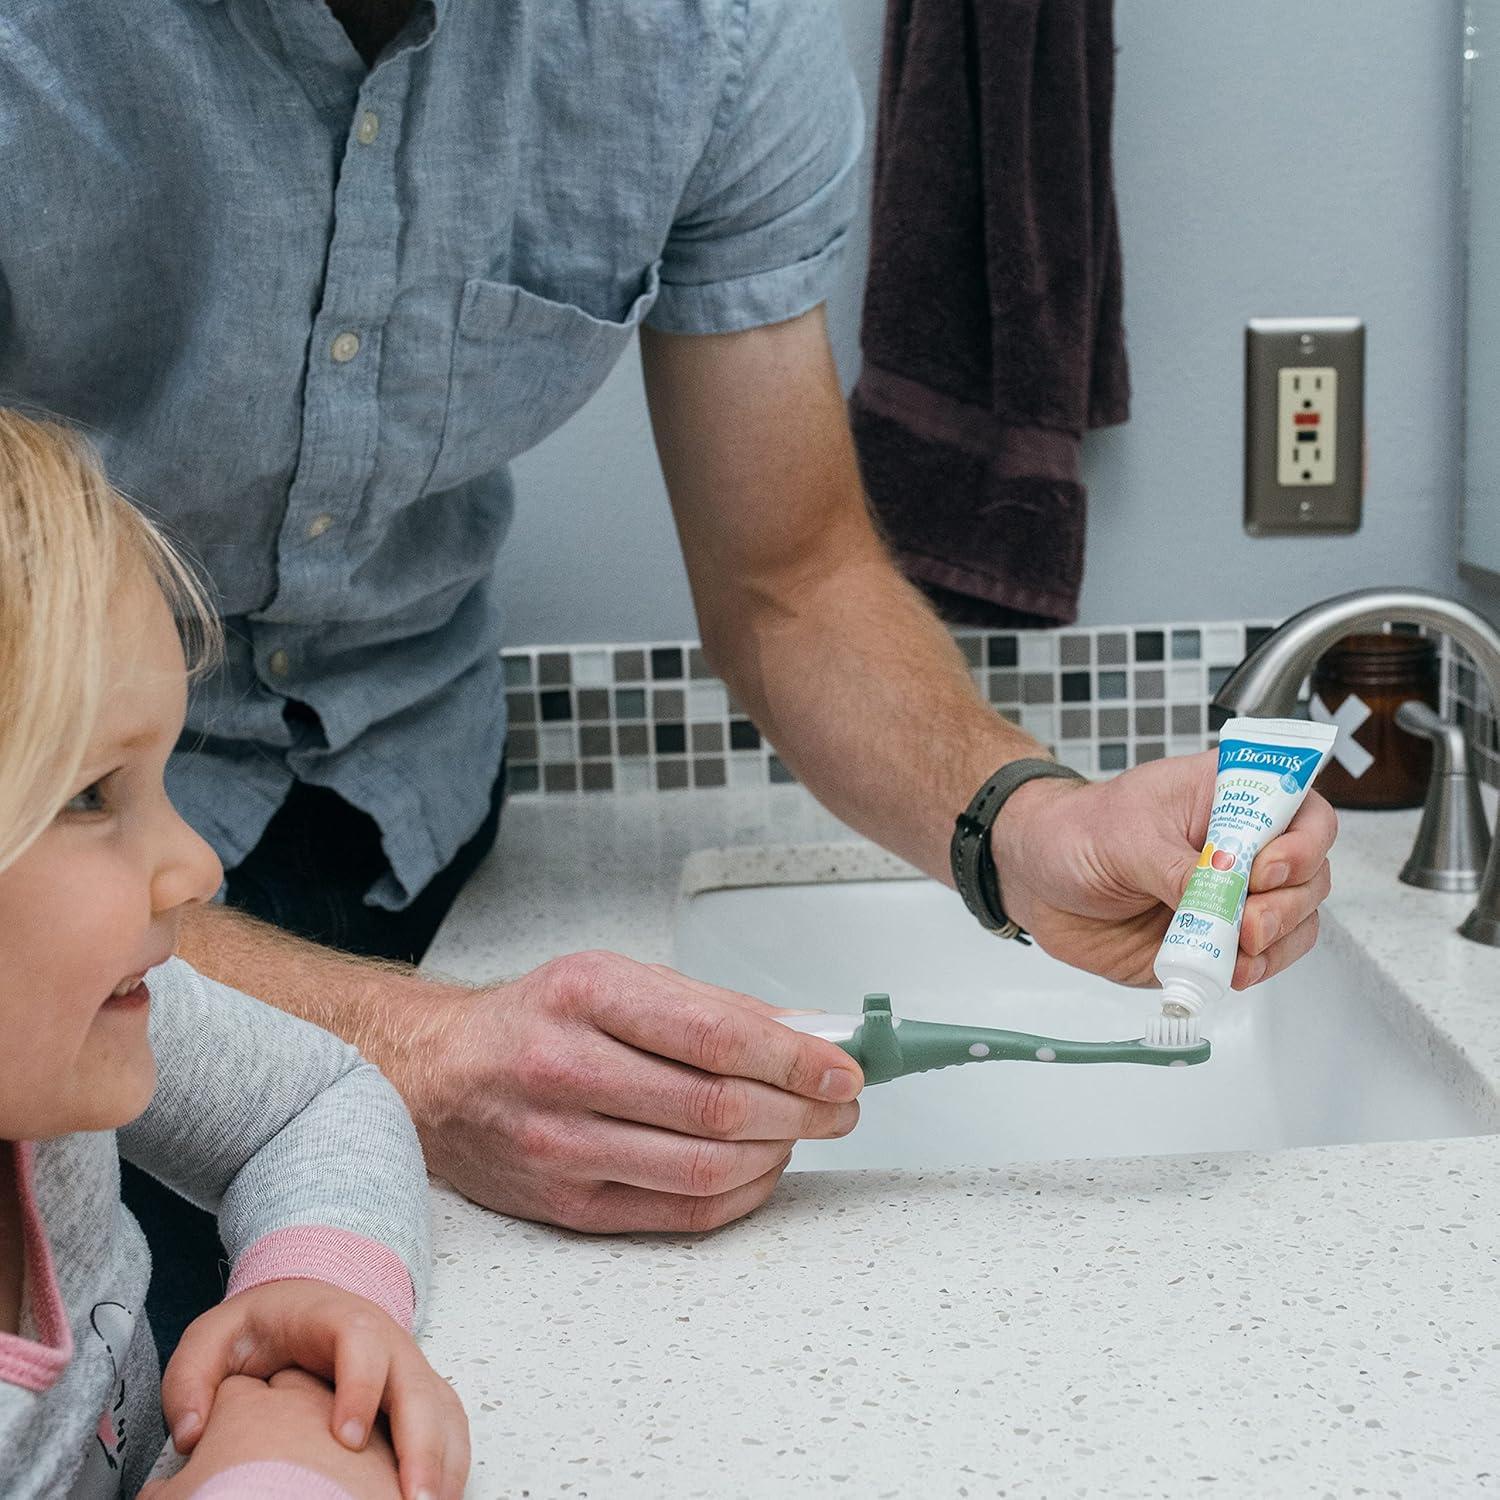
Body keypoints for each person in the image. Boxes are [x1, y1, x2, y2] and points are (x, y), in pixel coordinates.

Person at [0, 0, 1335, 1310]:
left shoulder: (707, 42)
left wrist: (1020, 823)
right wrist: (410, 1048)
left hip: (407, 811)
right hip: (35, 858)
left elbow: (792, 580)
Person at [0, 413, 469, 1497]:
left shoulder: (61, 1044)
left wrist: (302, 1344)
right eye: (88, 794)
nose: (196, 868)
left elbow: (315, 1099)